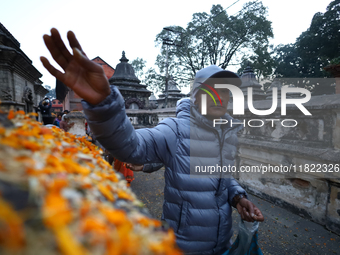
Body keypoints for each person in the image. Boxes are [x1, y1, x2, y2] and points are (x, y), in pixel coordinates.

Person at [40, 28, 264, 255]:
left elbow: (222, 178)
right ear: (196, 95)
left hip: (222, 243)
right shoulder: (175, 129)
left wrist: (238, 197)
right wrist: (105, 105)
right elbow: (133, 146)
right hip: (182, 245)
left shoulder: (227, 133)